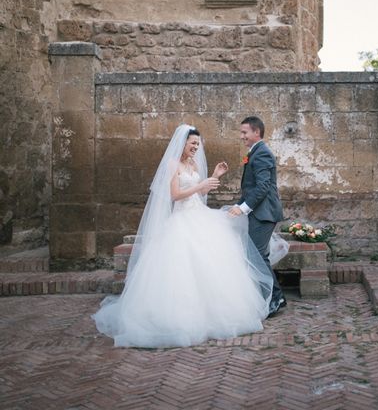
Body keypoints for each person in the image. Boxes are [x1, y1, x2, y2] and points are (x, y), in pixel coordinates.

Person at [93, 124, 273, 348]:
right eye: (193, 143)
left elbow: (201, 192)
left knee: (212, 263)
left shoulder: (193, 163)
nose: (196, 147)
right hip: (181, 220)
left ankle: (213, 314)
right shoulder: (172, 165)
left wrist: (214, 176)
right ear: (183, 143)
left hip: (199, 215)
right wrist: (200, 186)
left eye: (198, 144)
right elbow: (176, 195)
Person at [228, 116, 287, 317]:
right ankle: (270, 297)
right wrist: (237, 206)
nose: (241, 136)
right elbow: (251, 187)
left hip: (264, 213)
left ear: (256, 132)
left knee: (257, 257)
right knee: (257, 256)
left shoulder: (262, 153)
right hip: (259, 212)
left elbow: (262, 187)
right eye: (241, 132)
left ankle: (276, 298)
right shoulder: (255, 152)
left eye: (245, 132)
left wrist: (243, 208)